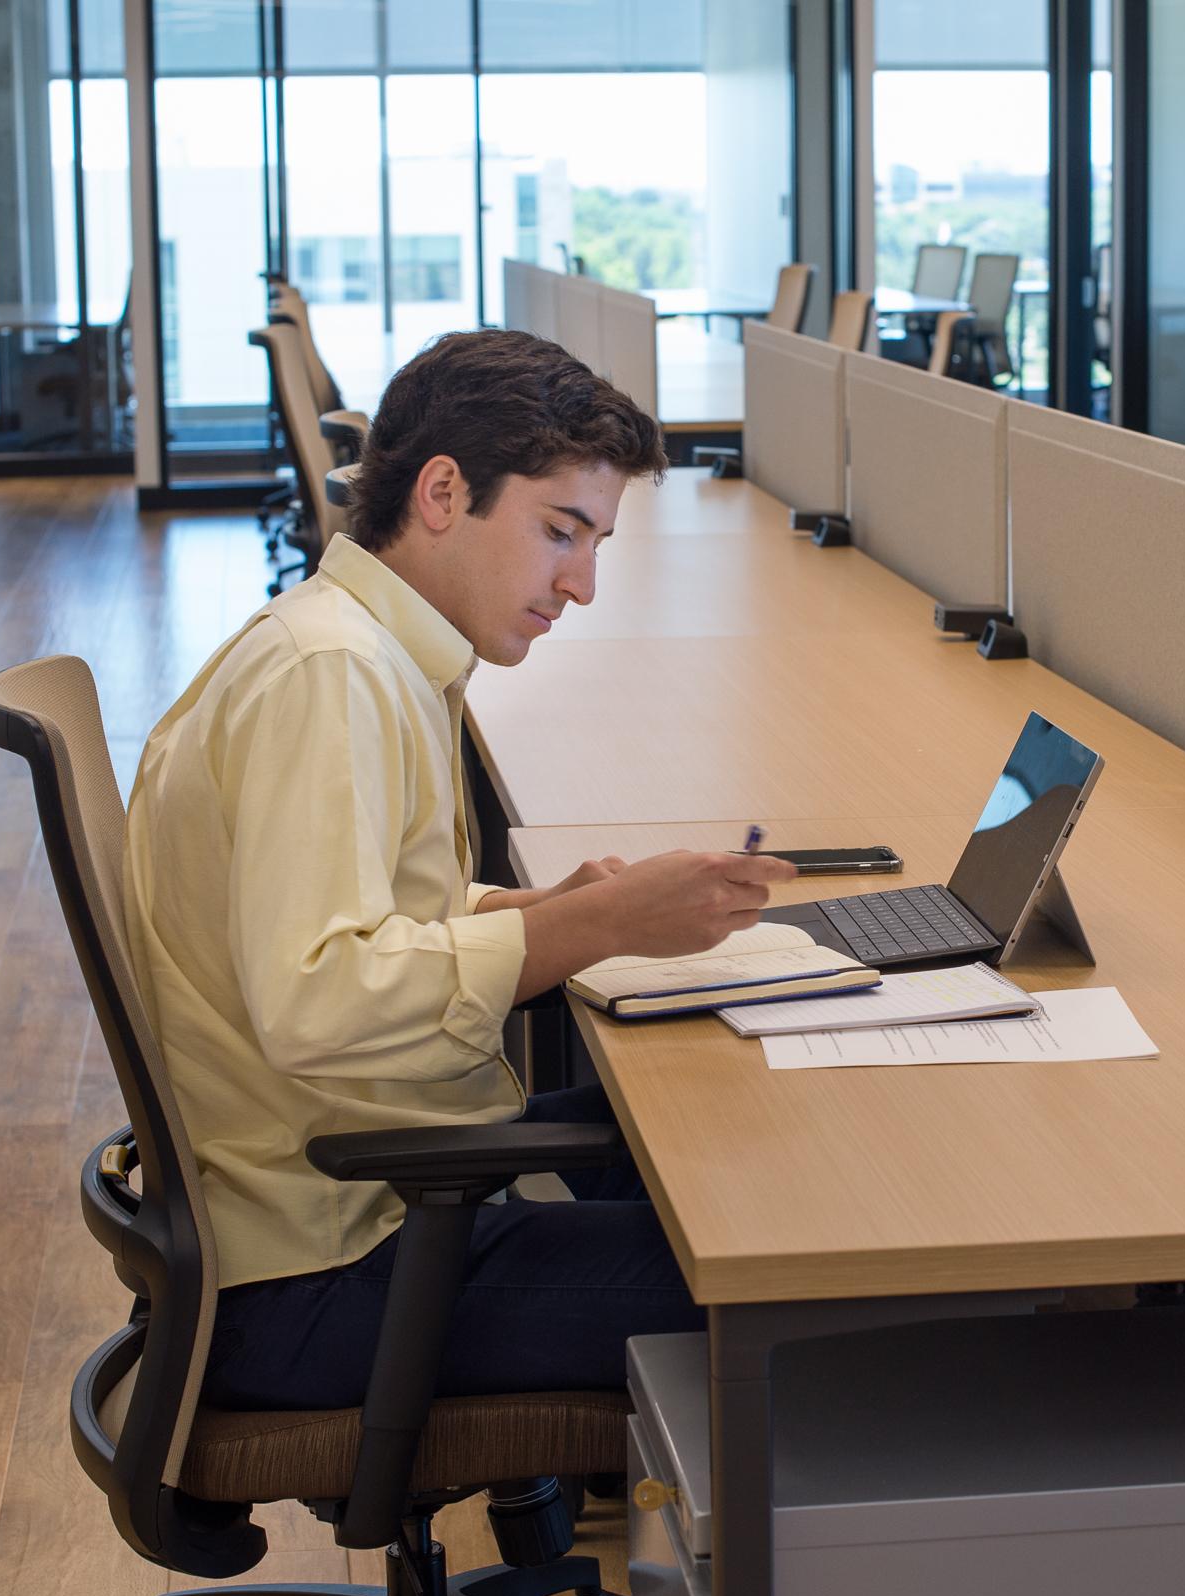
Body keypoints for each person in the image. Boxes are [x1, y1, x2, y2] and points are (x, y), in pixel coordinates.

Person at [124, 329, 796, 1410]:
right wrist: (585, 929)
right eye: (560, 533)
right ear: (442, 491)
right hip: (324, 1267)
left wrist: (551, 907)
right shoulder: (332, 679)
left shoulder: (367, 644)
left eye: (597, 545)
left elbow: (377, 908)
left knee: (709, 1156)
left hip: (351, 1183)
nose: (580, 585)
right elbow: (318, 995)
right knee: (782, 1276)